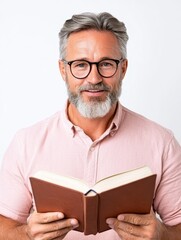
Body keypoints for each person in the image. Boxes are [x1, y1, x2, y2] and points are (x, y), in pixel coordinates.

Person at [0, 11, 181, 240]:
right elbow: (3, 226)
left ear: (123, 69)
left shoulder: (162, 143)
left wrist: (163, 235)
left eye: (106, 64)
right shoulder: (26, 144)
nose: (94, 78)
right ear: (63, 69)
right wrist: (27, 234)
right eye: (81, 65)